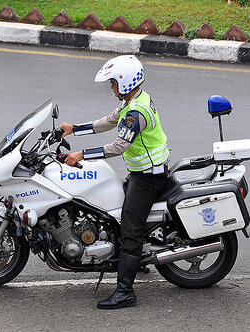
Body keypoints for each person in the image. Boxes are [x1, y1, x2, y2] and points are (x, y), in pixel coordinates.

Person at [58, 55, 169, 309]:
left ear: (125, 81)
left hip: (149, 178)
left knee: (130, 231)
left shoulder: (135, 112)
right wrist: (73, 129)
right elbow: (108, 121)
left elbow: (119, 146)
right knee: (115, 217)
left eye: (113, 82)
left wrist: (80, 154)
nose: (111, 87)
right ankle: (138, 259)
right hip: (143, 172)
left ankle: (125, 292)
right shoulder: (135, 99)